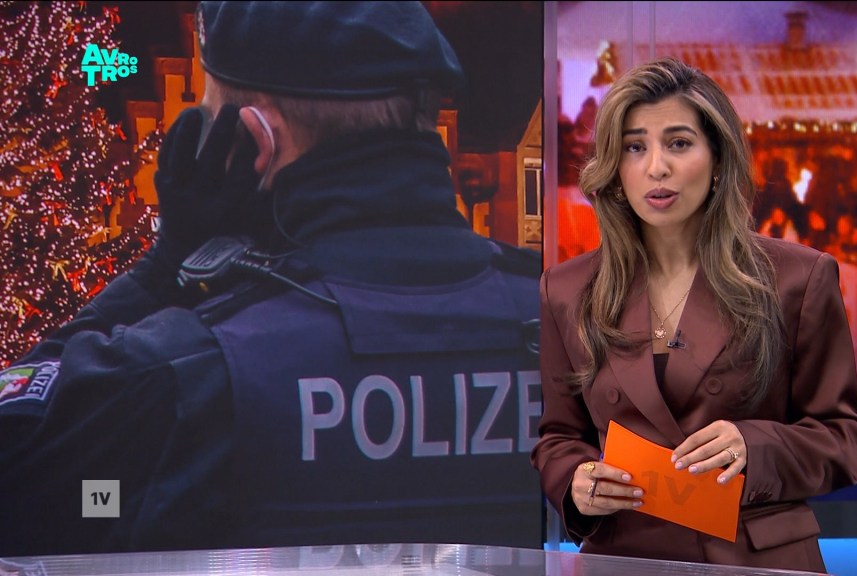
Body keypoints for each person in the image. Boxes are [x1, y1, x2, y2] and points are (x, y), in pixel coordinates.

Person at [0, 1, 541, 556]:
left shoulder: (195, 370)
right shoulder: (574, 333)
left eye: (209, 119)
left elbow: (18, 472)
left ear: (254, 142)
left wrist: (164, 271)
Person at [530, 58, 857, 572]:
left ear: (718, 159)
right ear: (615, 167)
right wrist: (575, 482)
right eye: (634, 147)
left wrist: (754, 445)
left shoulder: (798, 279)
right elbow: (559, 438)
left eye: (678, 143)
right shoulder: (566, 289)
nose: (657, 167)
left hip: (755, 559)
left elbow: (847, 437)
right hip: (625, 559)